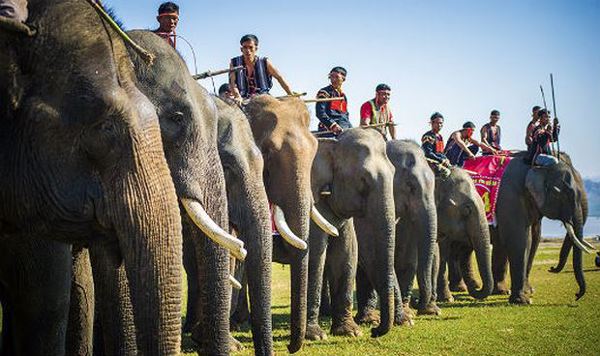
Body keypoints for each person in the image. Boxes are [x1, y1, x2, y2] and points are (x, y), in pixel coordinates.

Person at [229, 34, 293, 103]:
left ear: (256, 49)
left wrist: (290, 94)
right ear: (241, 49)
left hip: (263, 98)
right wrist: (237, 96)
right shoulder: (234, 63)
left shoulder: (265, 62)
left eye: (251, 47)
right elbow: (232, 83)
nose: (248, 50)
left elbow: (279, 77)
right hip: (243, 98)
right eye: (245, 47)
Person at [315, 66, 351, 137]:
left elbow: (345, 115)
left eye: (337, 77)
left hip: (344, 126)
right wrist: (332, 125)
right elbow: (320, 112)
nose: (333, 80)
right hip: (329, 128)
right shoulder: (324, 92)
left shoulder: (343, 96)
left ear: (343, 79)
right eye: (331, 76)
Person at [421, 112, 451, 176]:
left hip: (438, 161)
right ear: (432, 123)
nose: (439, 125)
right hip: (429, 162)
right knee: (446, 172)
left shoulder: (440, 137)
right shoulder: (428, 136)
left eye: (441, 123)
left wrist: (446, 159)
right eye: (437, 123)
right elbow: (428, 153)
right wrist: (441, 160)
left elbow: (441, 153)